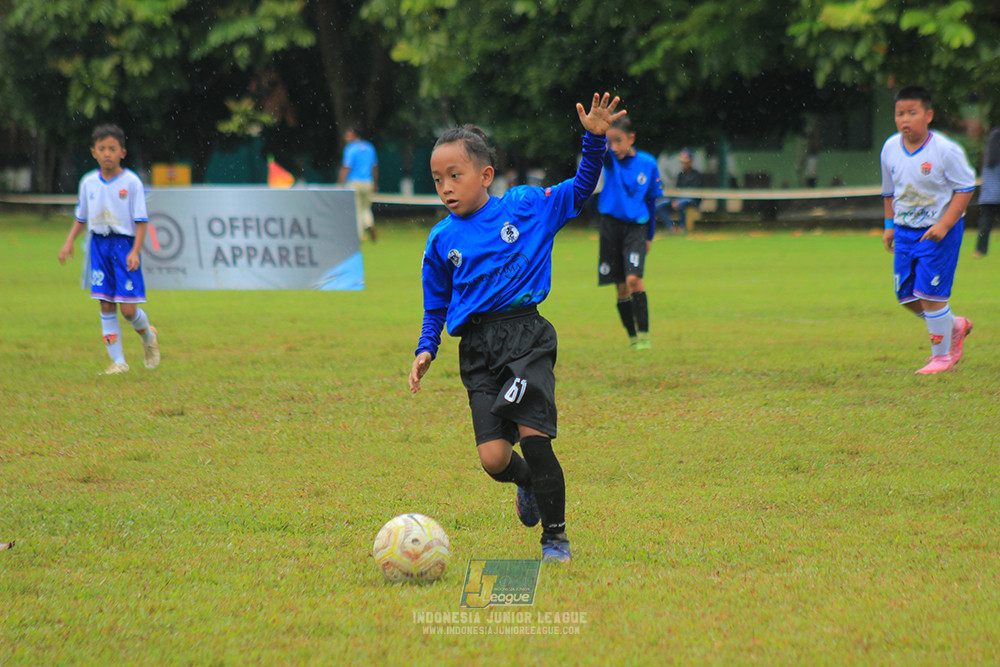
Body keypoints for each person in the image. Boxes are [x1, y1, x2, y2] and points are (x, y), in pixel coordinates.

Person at [407, 93, 625, 563]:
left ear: (485, 176)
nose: (445, 187)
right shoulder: (441, 238)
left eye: (454, 176)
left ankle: (556, 539)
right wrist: (427, 347)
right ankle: (525, 484)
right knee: (493, 460)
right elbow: (436, 302)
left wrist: (593, 141)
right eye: (437, 179)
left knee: (534, 437)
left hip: (526, 337)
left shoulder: (525, 208)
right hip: (478, 349)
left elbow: (579, 188)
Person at [880, 86, 977, 375]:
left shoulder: (945, 151)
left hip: (938, 232)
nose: (905, 119)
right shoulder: (889, 148)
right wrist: (888, 226)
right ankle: (955, 326)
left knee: (932, 297)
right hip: (905, 231)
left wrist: (944, 224)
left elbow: (965, 187)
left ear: (928, 115)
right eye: (900, 114)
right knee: (907, 297)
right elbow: (888, 192)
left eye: (912, 112)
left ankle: (941, 358)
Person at [58, 124, 160, 375]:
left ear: (122, 152)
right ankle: (118, 362)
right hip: (99, 245)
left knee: (127, 310)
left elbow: (141, 221)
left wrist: (135, 251)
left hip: (124, 246)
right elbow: (81, 217)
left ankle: (148, 335)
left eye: (112, 149)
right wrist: (69, 240)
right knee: (105, 303)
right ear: (93, 152)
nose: (107, 154)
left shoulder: (132, 182)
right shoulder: (88, 182)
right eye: (102, 148)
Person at [596, 116, 663, 350]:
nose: (614, 147)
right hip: (610, 226)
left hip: (636, 227)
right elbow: (597, 149)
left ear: (631, 138)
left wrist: (649, 236)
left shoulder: (647, 163)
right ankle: (632, 336)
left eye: (618, 141)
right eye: (609, 142)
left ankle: (644, 334)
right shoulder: (609, 159)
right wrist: (596, 132)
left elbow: (652, 202)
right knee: (621, 285)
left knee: (634, 279)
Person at [338, 125, 379, 242]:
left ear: (355, 135)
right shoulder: (369, 147)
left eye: (348, 135)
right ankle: (369, 223)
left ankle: (359, 236)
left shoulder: (350, 148)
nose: (346, 137)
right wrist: (375, 183)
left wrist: (340, 183)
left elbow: (346, 167)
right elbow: (374, 167)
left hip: (354, 183)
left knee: (355, 210)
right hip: (368, 182)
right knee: (366, 208)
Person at [656, 148, 703, 232]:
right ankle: (670, 227)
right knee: (660, 205)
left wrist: (679, 200)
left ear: (690, 162)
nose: (684, 164)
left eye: (686, 162)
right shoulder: (680, 175)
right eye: (682, 162)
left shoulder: (696, 175)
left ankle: (683, 227)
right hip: (678, 199)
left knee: (681, 204)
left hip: (691, 200)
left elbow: (695, 192)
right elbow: (676, 190)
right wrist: (674, 200)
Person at [973, 125, 1000, 258]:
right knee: (986, 222)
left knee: (985, 223)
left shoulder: (989, 159)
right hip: (995, 194)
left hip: (988, 196)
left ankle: (980, 250)